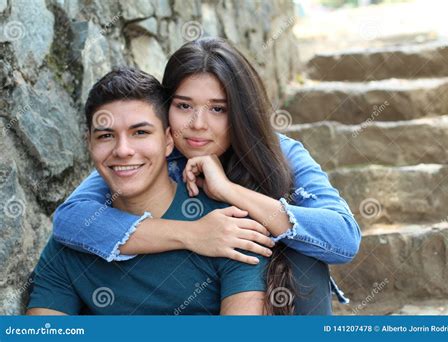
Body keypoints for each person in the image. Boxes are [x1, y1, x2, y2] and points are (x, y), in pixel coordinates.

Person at [51, 37, 361, 314]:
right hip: (203, 299)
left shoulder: (281, 153)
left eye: (218, 109)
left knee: (304, 256)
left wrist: (228, 190)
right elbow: (70, 220)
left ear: (241, 111)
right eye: (184, 105)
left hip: (277, 298)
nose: (198, 124)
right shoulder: (150, 153)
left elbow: (343, 238)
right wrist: (193, 234)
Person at [26, 67, 268, 315]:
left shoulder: (231, 230)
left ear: (168, 141)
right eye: (106, 135)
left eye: (140, 132)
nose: (122, 150)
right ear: (89, 143)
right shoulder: (74, 240)